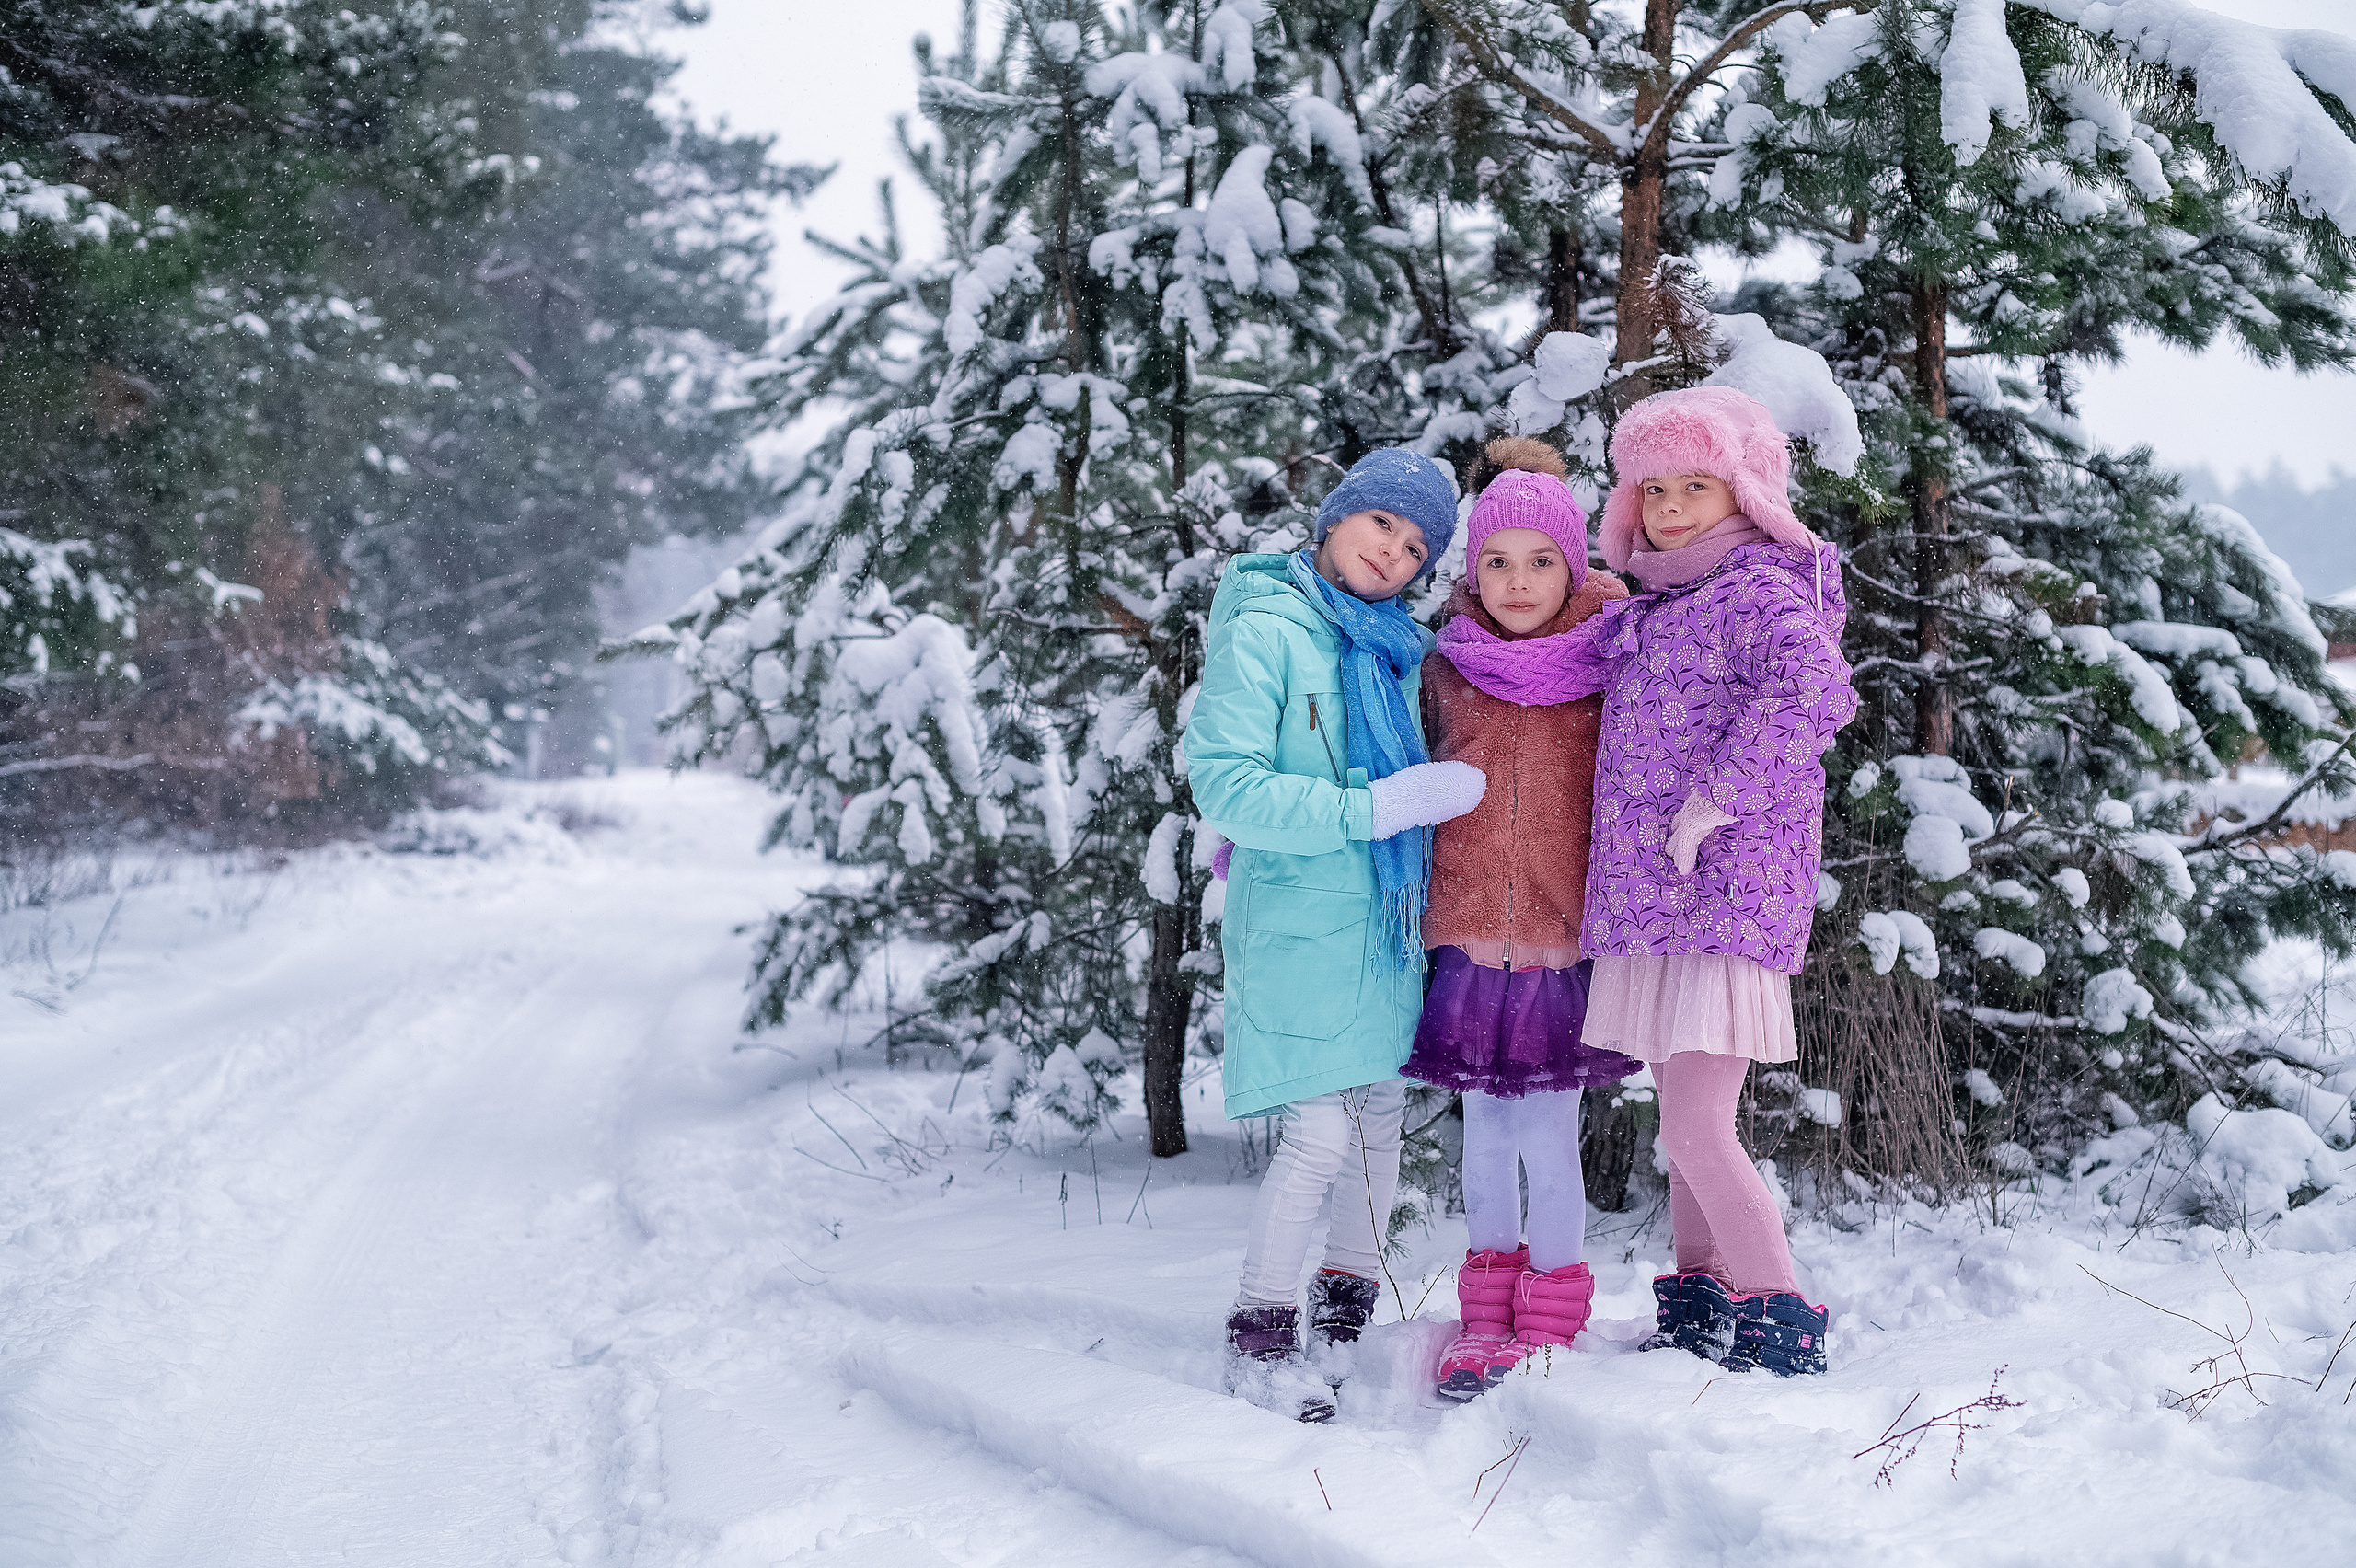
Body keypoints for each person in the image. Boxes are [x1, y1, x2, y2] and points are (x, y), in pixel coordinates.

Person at [1445, 387, 1857, 1376]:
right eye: (1653, 488)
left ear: (1744, 491)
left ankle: (1779, 1309)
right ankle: (1699, 1299)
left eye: (1695, 487)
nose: (1671, 508)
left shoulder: (1760, 588)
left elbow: (1816, 691)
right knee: (1679, 1125)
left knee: (1695, 1124)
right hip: (1648, 898)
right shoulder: (1653, 604)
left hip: (1724, 893)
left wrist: (1720, 793)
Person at [1186, 446, 1485, 1420]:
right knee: (1315, 1135)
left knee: (1376, 1126)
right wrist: (1379, 806)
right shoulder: (1269, 630)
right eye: (1378, 527)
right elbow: (1227, 785)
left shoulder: (1393, 648)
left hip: (1385, 933)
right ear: (1331, 522)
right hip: (1302, 926)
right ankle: (1260, 1337)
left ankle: (1345, 1323)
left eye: (1413, 547)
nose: (1391, 554)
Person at [1406, 439, 1640, 1400]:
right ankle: (1484, 1314)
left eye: (1541, 560)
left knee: (1546, 1135)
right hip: (1466, 937)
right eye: (1496, 561)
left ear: (1573, 566)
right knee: (1483, 1138)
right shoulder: (1444, 665)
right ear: (1472, 570)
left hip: (1557, 940)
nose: (1517, 580)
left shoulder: (1611, 660)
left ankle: (1550, 1313)